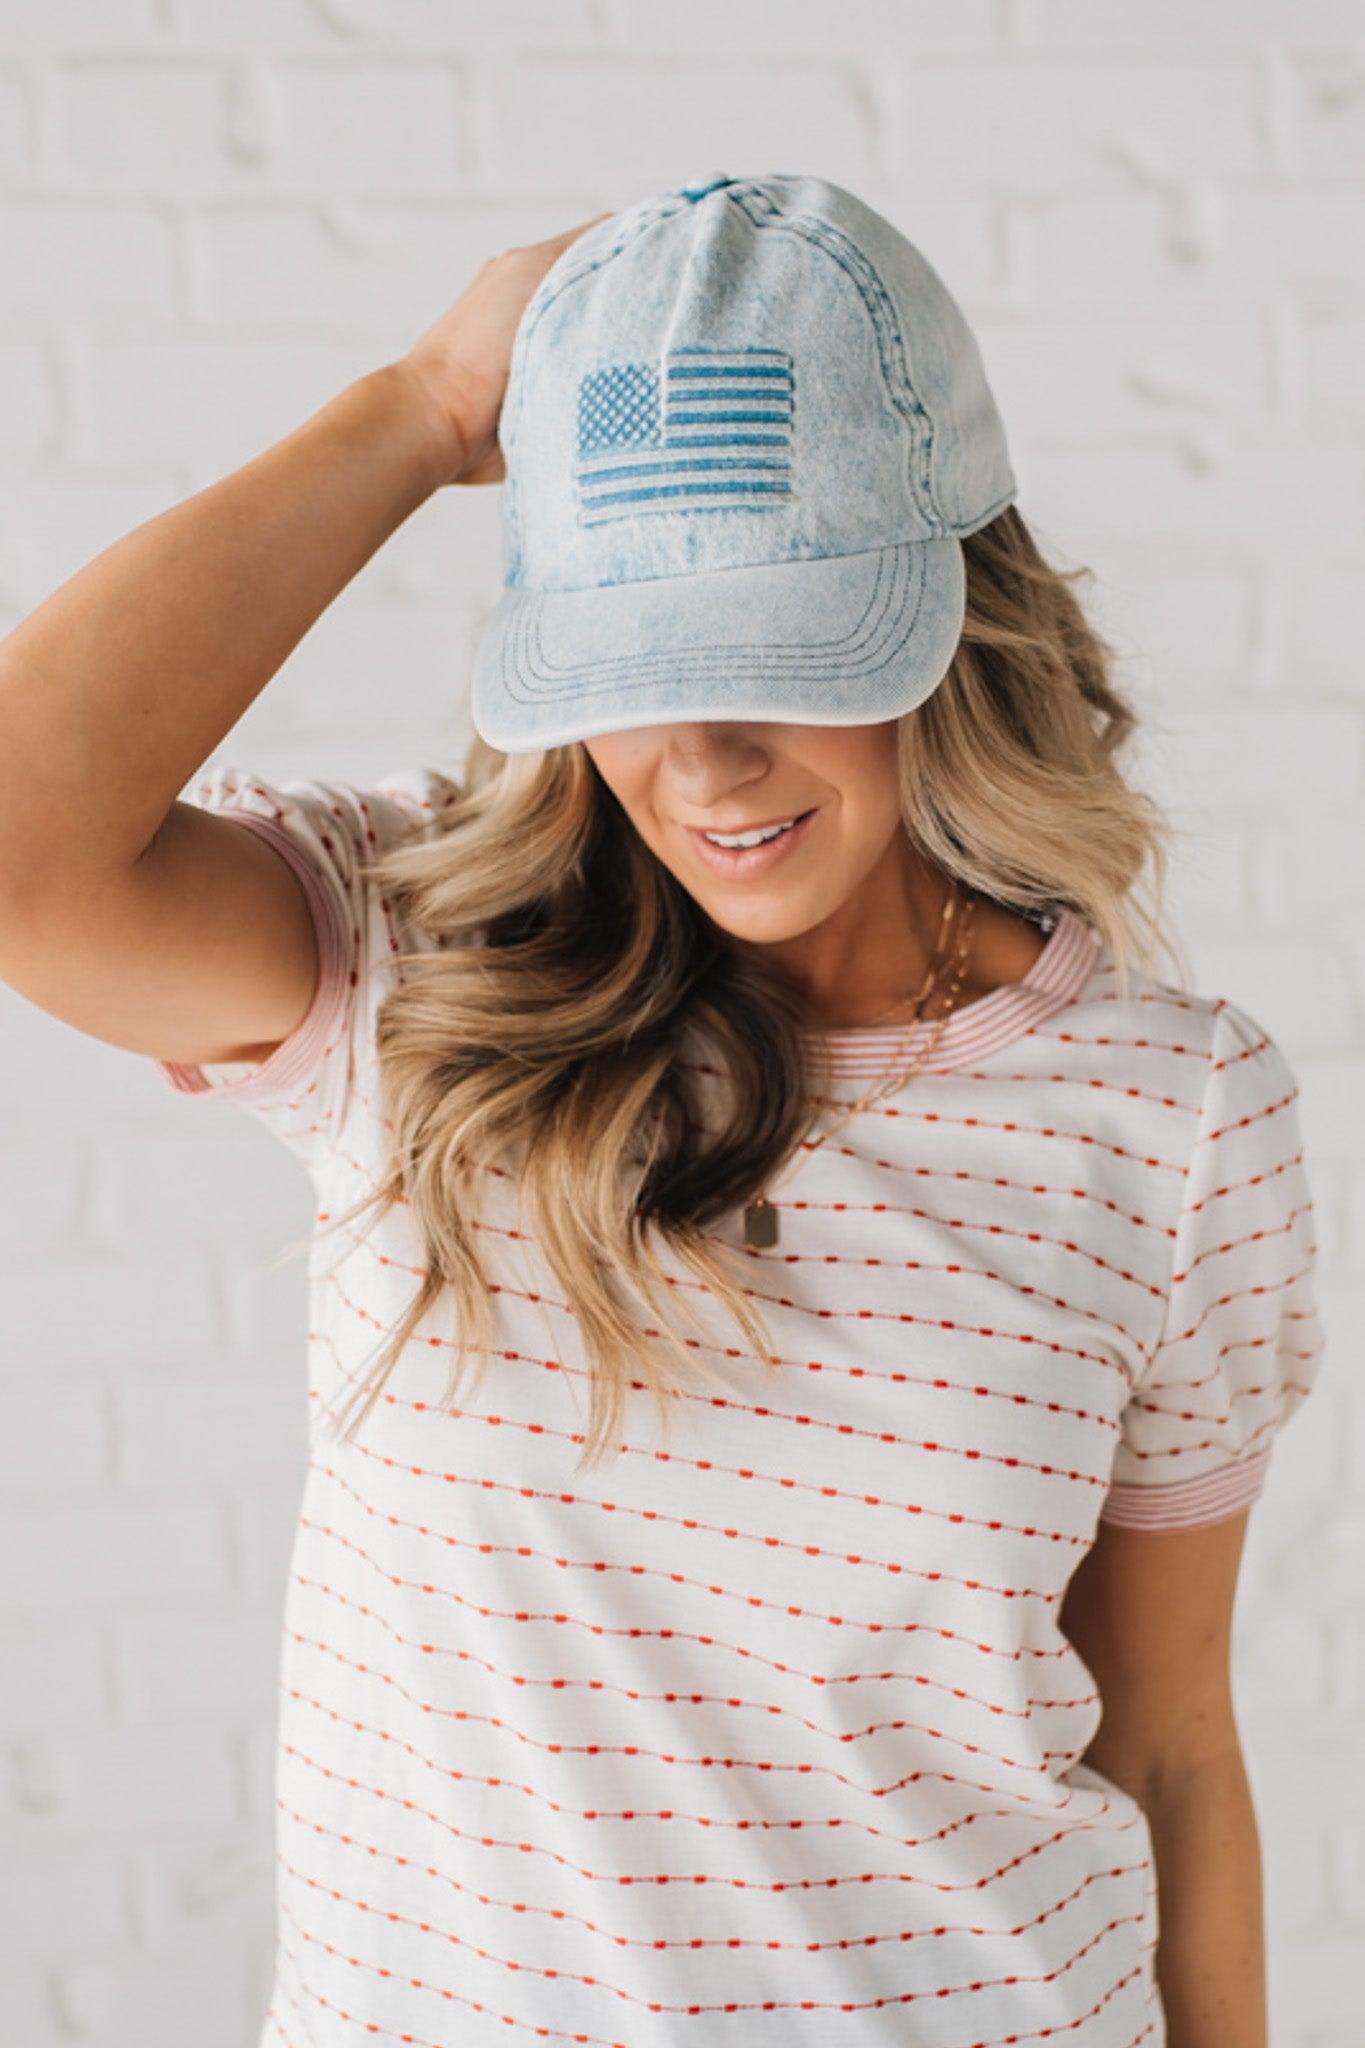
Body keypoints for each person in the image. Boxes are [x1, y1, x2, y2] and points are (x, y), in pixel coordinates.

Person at [0, 172, 1324, 2048]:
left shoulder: (1173, 1110)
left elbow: (1173, 1747)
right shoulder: (411, 970)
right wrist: (419, 411)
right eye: (627, 667)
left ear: (956, 610)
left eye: (784, 655)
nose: (700, 764)